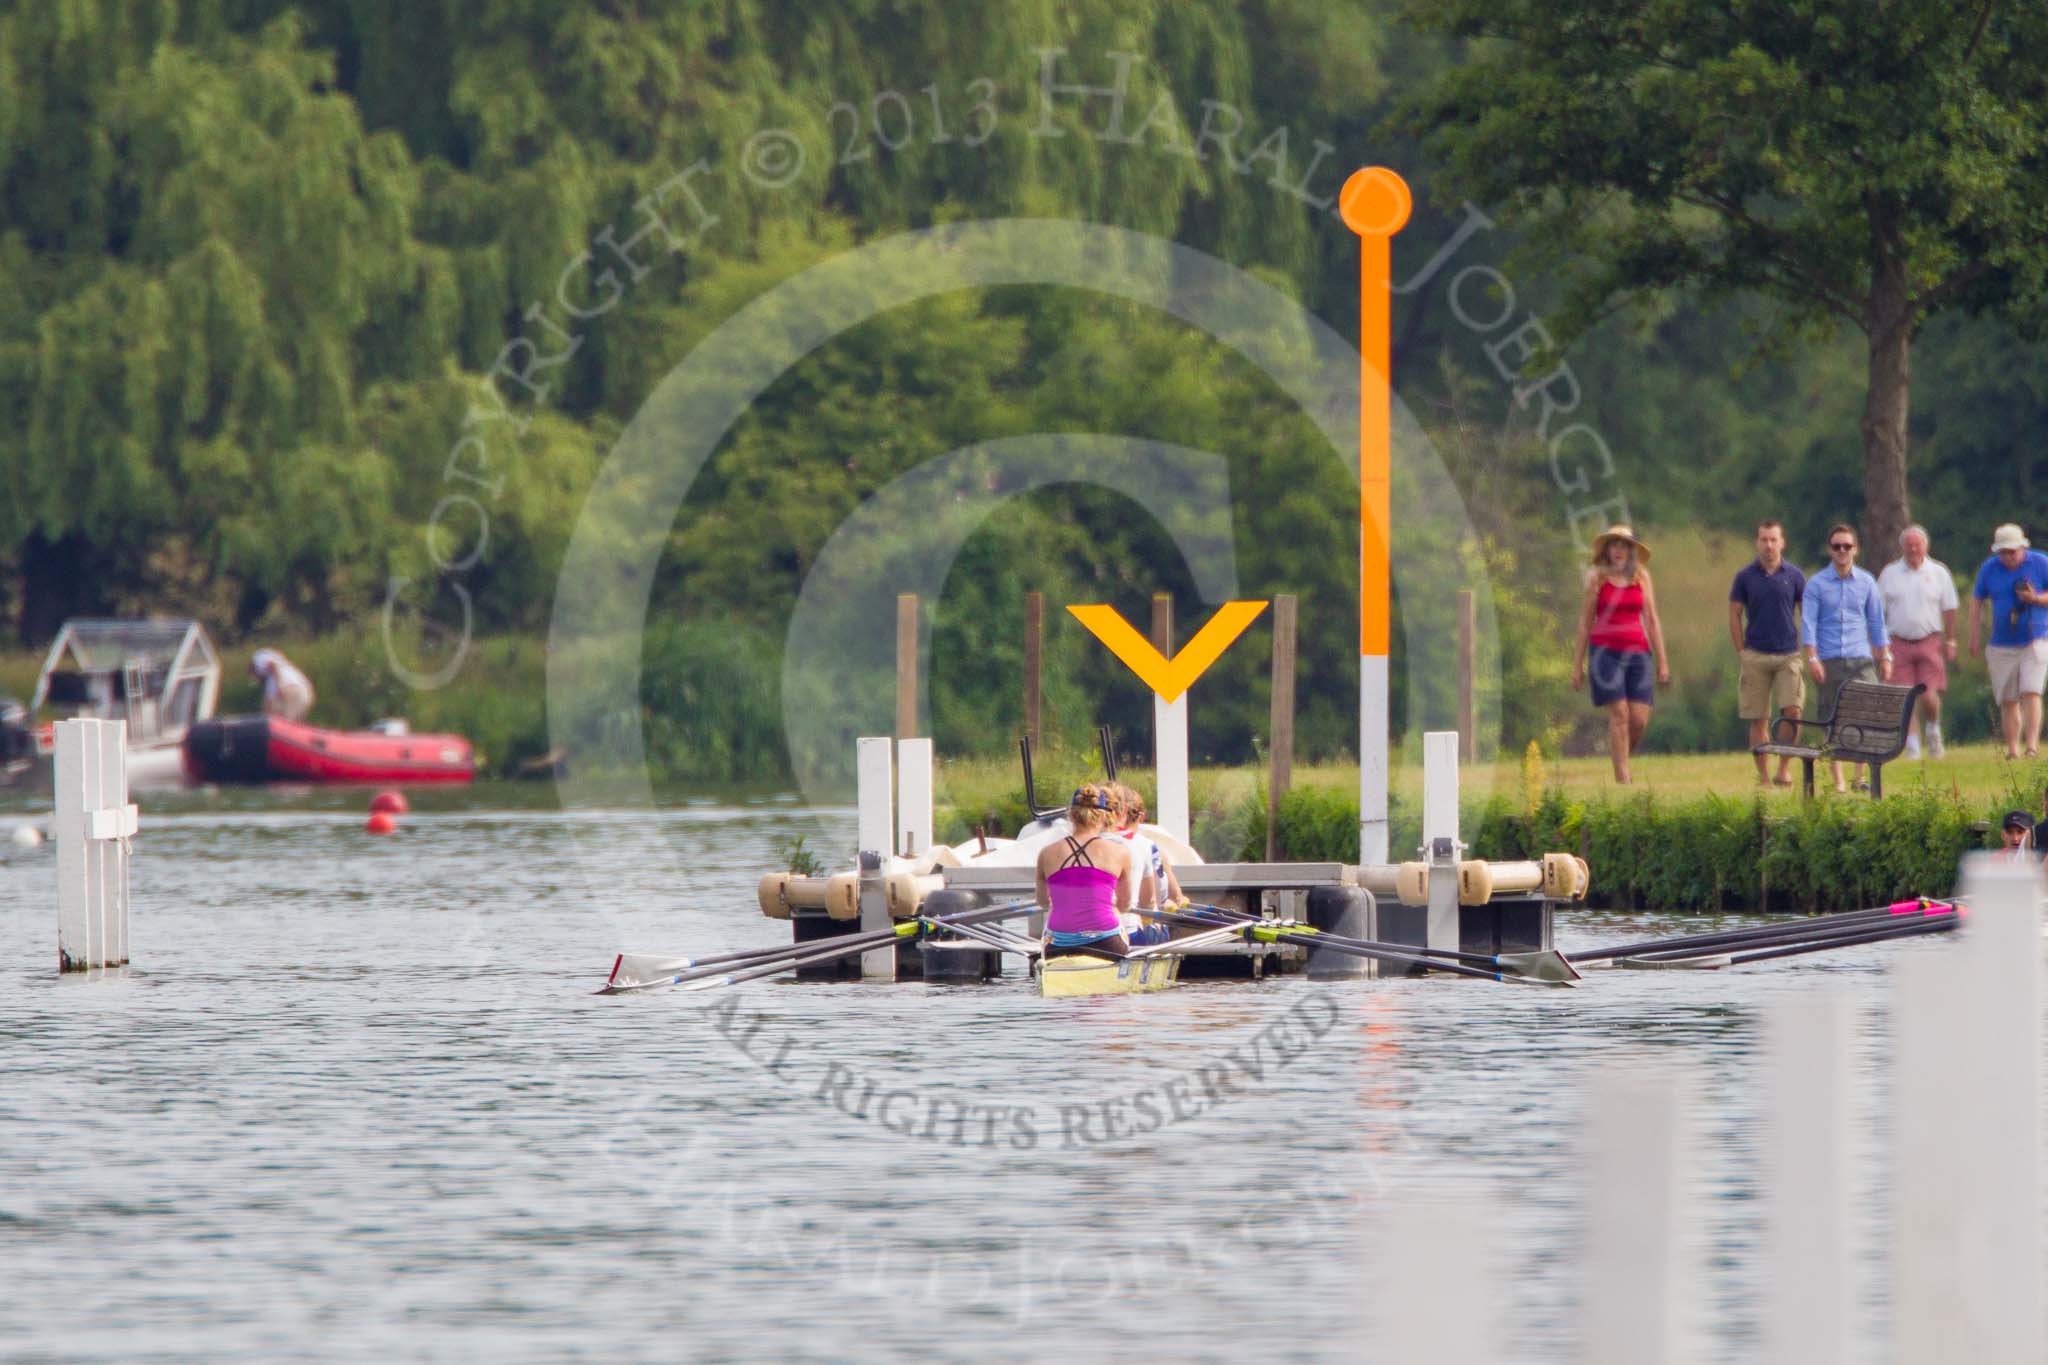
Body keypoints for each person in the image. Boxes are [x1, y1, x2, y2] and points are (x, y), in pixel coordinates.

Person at [1571, 525, 1670, 784]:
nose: (1619, 550)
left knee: (1638, 720)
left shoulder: (1642, 577)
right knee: (1620, 714)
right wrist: (1577, 665)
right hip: (1605, 654)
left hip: (1638, 654)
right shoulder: (1597, 579)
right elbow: (1584, 622)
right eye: (1614, 545)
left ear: (1631, 551)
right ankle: (1623, 781)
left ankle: (1620, 757)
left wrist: (1662, 661)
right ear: (1607, 549)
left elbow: (1652, 618)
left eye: (1624, 545)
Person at [1801, 524, 1891, 792]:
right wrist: (1812, 658)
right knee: (1831, 716)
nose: (1842, 551)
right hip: (1830, 657)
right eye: (1837, 546)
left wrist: (1884, 654)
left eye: (1847, 546)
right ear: (1830, 550)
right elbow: (1808, 623)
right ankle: (1839, 780)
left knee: (1864, 714)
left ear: (1856, 549)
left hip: (1860, 656)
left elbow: (1876, 621)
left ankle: (1859, 776)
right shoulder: (1816, 584)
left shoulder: (1866, 582)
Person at [1728, 519, 1808, 785]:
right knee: (1758, 718)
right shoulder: (1744, 577)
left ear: (1782, 542)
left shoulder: (1794, 576)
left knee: (1793, 710)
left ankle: (1784, 768)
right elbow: (1734, 614)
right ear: (1757, 542)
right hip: (1756, 654)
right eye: (1764, 539)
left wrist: (1810, 648)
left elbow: (1806, 613)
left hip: (1788, 654)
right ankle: (1763, 777)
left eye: (1774, 539)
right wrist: (1742, 652)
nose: (1769, 545)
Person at [1877, 525, 1960, 759]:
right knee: (1905, 696)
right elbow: (1877, 611)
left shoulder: (1938, 572)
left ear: (1925, 546)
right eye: (1909, 545)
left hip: (1929, 641)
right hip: (1897, 642)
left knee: (1929, 694)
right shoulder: (1889, 573)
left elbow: (1950, 608)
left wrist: (1951, 641)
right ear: (1902, 547)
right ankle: (1912, 744)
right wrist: (1879, 644)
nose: (1913, 549)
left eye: (1918, 544)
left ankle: (1933, 730)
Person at [1969, 523, 2048, 760]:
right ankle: (2013, 748)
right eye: (2004, 552)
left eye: (2012, 552)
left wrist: (2034, 598)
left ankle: (2032, 746)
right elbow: (1977, 601)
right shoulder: (1989, 569)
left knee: (2031, 691)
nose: (2008, 557)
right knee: (2008, 697)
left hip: (2035, 636)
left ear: (2022, 548)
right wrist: (1973, 635)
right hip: (2002, 641)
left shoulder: (2040, 563)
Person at [1034, 783, 1137, 958]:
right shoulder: (1120, 852)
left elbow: (1043, 902)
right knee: (1120, 923)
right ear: (1104, 816)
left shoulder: (1046, 853)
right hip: (1105, 942)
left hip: (1059, 943)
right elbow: (1124, 905)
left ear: (1071, 815)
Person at [249, 648, 315, 721]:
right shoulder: (273, 677)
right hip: (304, 693)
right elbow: (267, 704)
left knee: (283, 719)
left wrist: (280, 686)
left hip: (290, 690)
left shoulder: (258, 658)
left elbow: (273, 665)